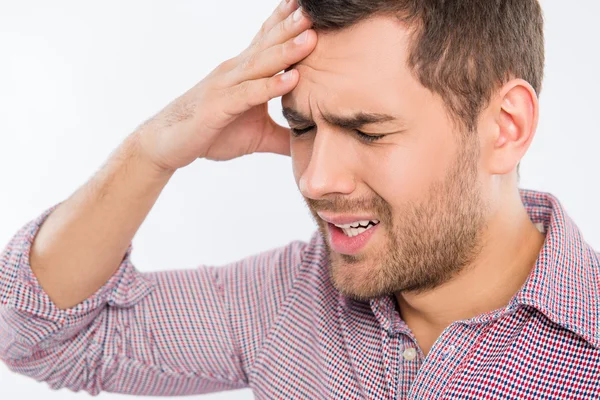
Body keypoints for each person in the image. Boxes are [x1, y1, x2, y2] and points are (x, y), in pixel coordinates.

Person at [1, 0, 598, 398]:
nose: (315, 180)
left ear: (505, 127)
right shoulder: (293, 295)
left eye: (368, 130)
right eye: (304, 128)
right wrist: (155, 150)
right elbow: (40, 337)